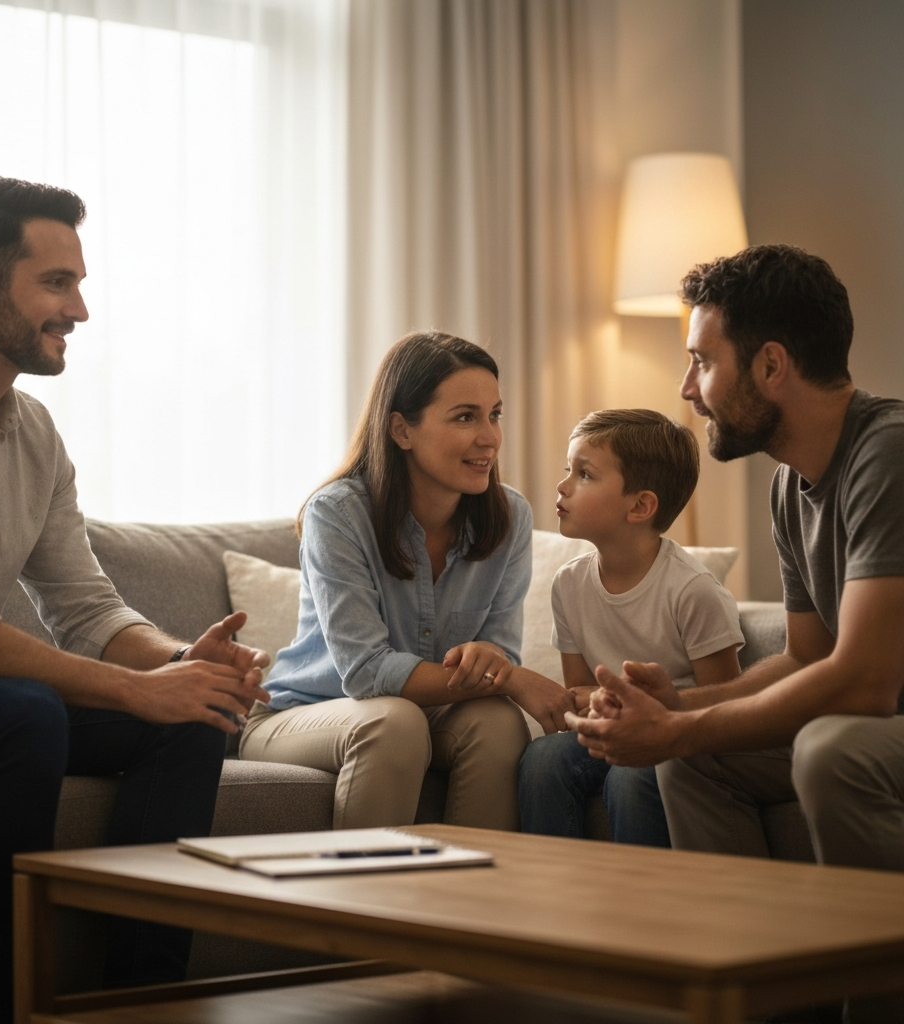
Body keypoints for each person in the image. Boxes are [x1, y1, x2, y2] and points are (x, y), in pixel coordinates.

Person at [0, 176, 271, 1024]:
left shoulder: (34, 432)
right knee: (22, 716)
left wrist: (179, 666)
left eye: (79, 283)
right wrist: (134, 688)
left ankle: (141, 1004)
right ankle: (13, 1015)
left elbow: (86, 607)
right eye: (57, 283)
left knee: (193, 713)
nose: (81, 310)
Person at [565, 245, 904, 1023]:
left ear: (771, 365)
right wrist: (681, 708)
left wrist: (681, 727)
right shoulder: (792, 483)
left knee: (833, 748)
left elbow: (864, 682)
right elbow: (805, 658)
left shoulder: (887, 453)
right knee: (699, 760)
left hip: (880, 725)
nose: (688, 390)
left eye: (701, 362)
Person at [240, 331, 574, 830]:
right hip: (305, 715)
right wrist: (512, 677)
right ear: (401, 430)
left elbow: (496, 654)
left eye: (494, 414)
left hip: (422, 715)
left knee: (498, 723)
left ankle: (467, 904)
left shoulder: (511, 517)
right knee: (393, 720)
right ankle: (363, 907)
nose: (490, 437)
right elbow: (367, 673)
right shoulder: (337, 514)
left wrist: (497, 665)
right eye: (466, 416)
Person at [518, 409, 743, 846]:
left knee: (631, 776)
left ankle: (639, 904)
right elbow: (577, 694)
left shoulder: (694, 591)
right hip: (608, 729)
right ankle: (549, 892)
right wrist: (598, 704)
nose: (562, 486)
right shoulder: (569, 584)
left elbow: (724, 706)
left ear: (640, 506)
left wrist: (649, 716)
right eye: (569, 469)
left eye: (584, 474)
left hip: (675, 738)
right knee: (543, 759)